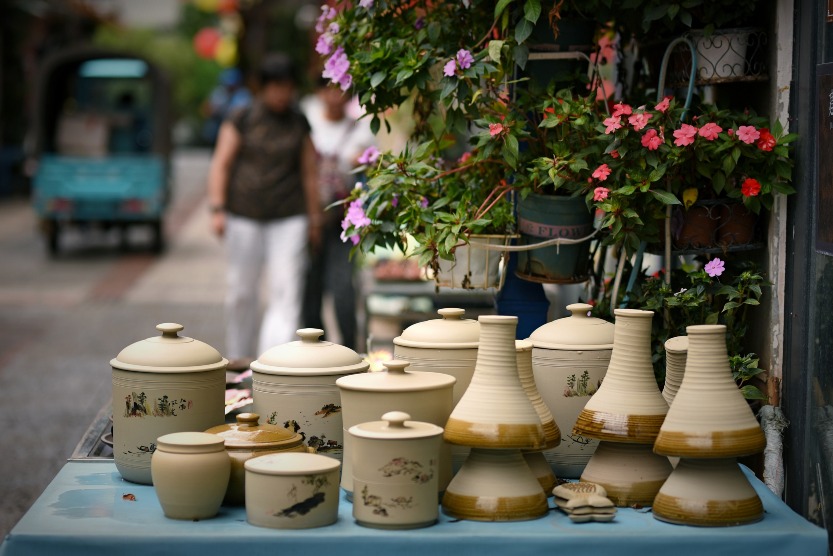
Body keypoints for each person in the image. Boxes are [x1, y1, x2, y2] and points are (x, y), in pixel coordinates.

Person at [207, 54, 322, 370]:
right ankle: (239, 359)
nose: (281, 94)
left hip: (289, 216)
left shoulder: (299, 121)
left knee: (287, 291)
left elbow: (309, 172)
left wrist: (314, 218)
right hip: (244, 214)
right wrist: (217, 208)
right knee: (242, 291)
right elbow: (222, 163)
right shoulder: (242, 117)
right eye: (275, 87)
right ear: (262, 87)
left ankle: (274, 363)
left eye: (287, 87)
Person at [300, 79, 375, 351]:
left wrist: (364, 160)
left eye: (341, 89)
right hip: (308, 219)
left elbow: (372, 167)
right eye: (329, 89)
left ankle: (349, 350)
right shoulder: (306, 120)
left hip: (344, 221)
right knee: (310, 287)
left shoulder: (362, 130)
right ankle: (314, 350)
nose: (334, 95)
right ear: (319, 92)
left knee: (343, 286)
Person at [201, 68, 252, 146]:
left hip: (237, 128)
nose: (230, 87)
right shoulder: (218, 93)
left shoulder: (243, 95)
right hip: (218, 128)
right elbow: (207, 109)